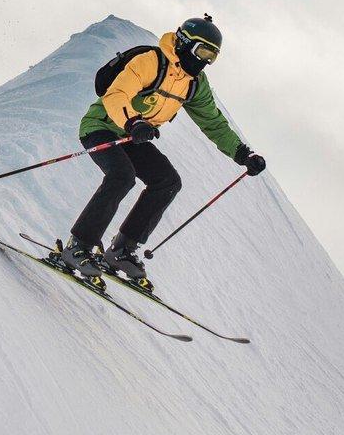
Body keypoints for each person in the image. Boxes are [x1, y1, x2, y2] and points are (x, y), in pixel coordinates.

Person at [59, 14, 266, 286]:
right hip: (103, 126)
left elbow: (213, 123)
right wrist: (133, 121)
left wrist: (243, 154)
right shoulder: (150, 62)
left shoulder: (194, 83)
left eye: (212, 57)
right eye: (203, 51)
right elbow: (116, 94)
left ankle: (121, 250)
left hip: (135, 135)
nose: (205, 61)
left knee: (167, 181)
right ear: (184, 43)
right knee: (121, 176)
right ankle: (79, 246)